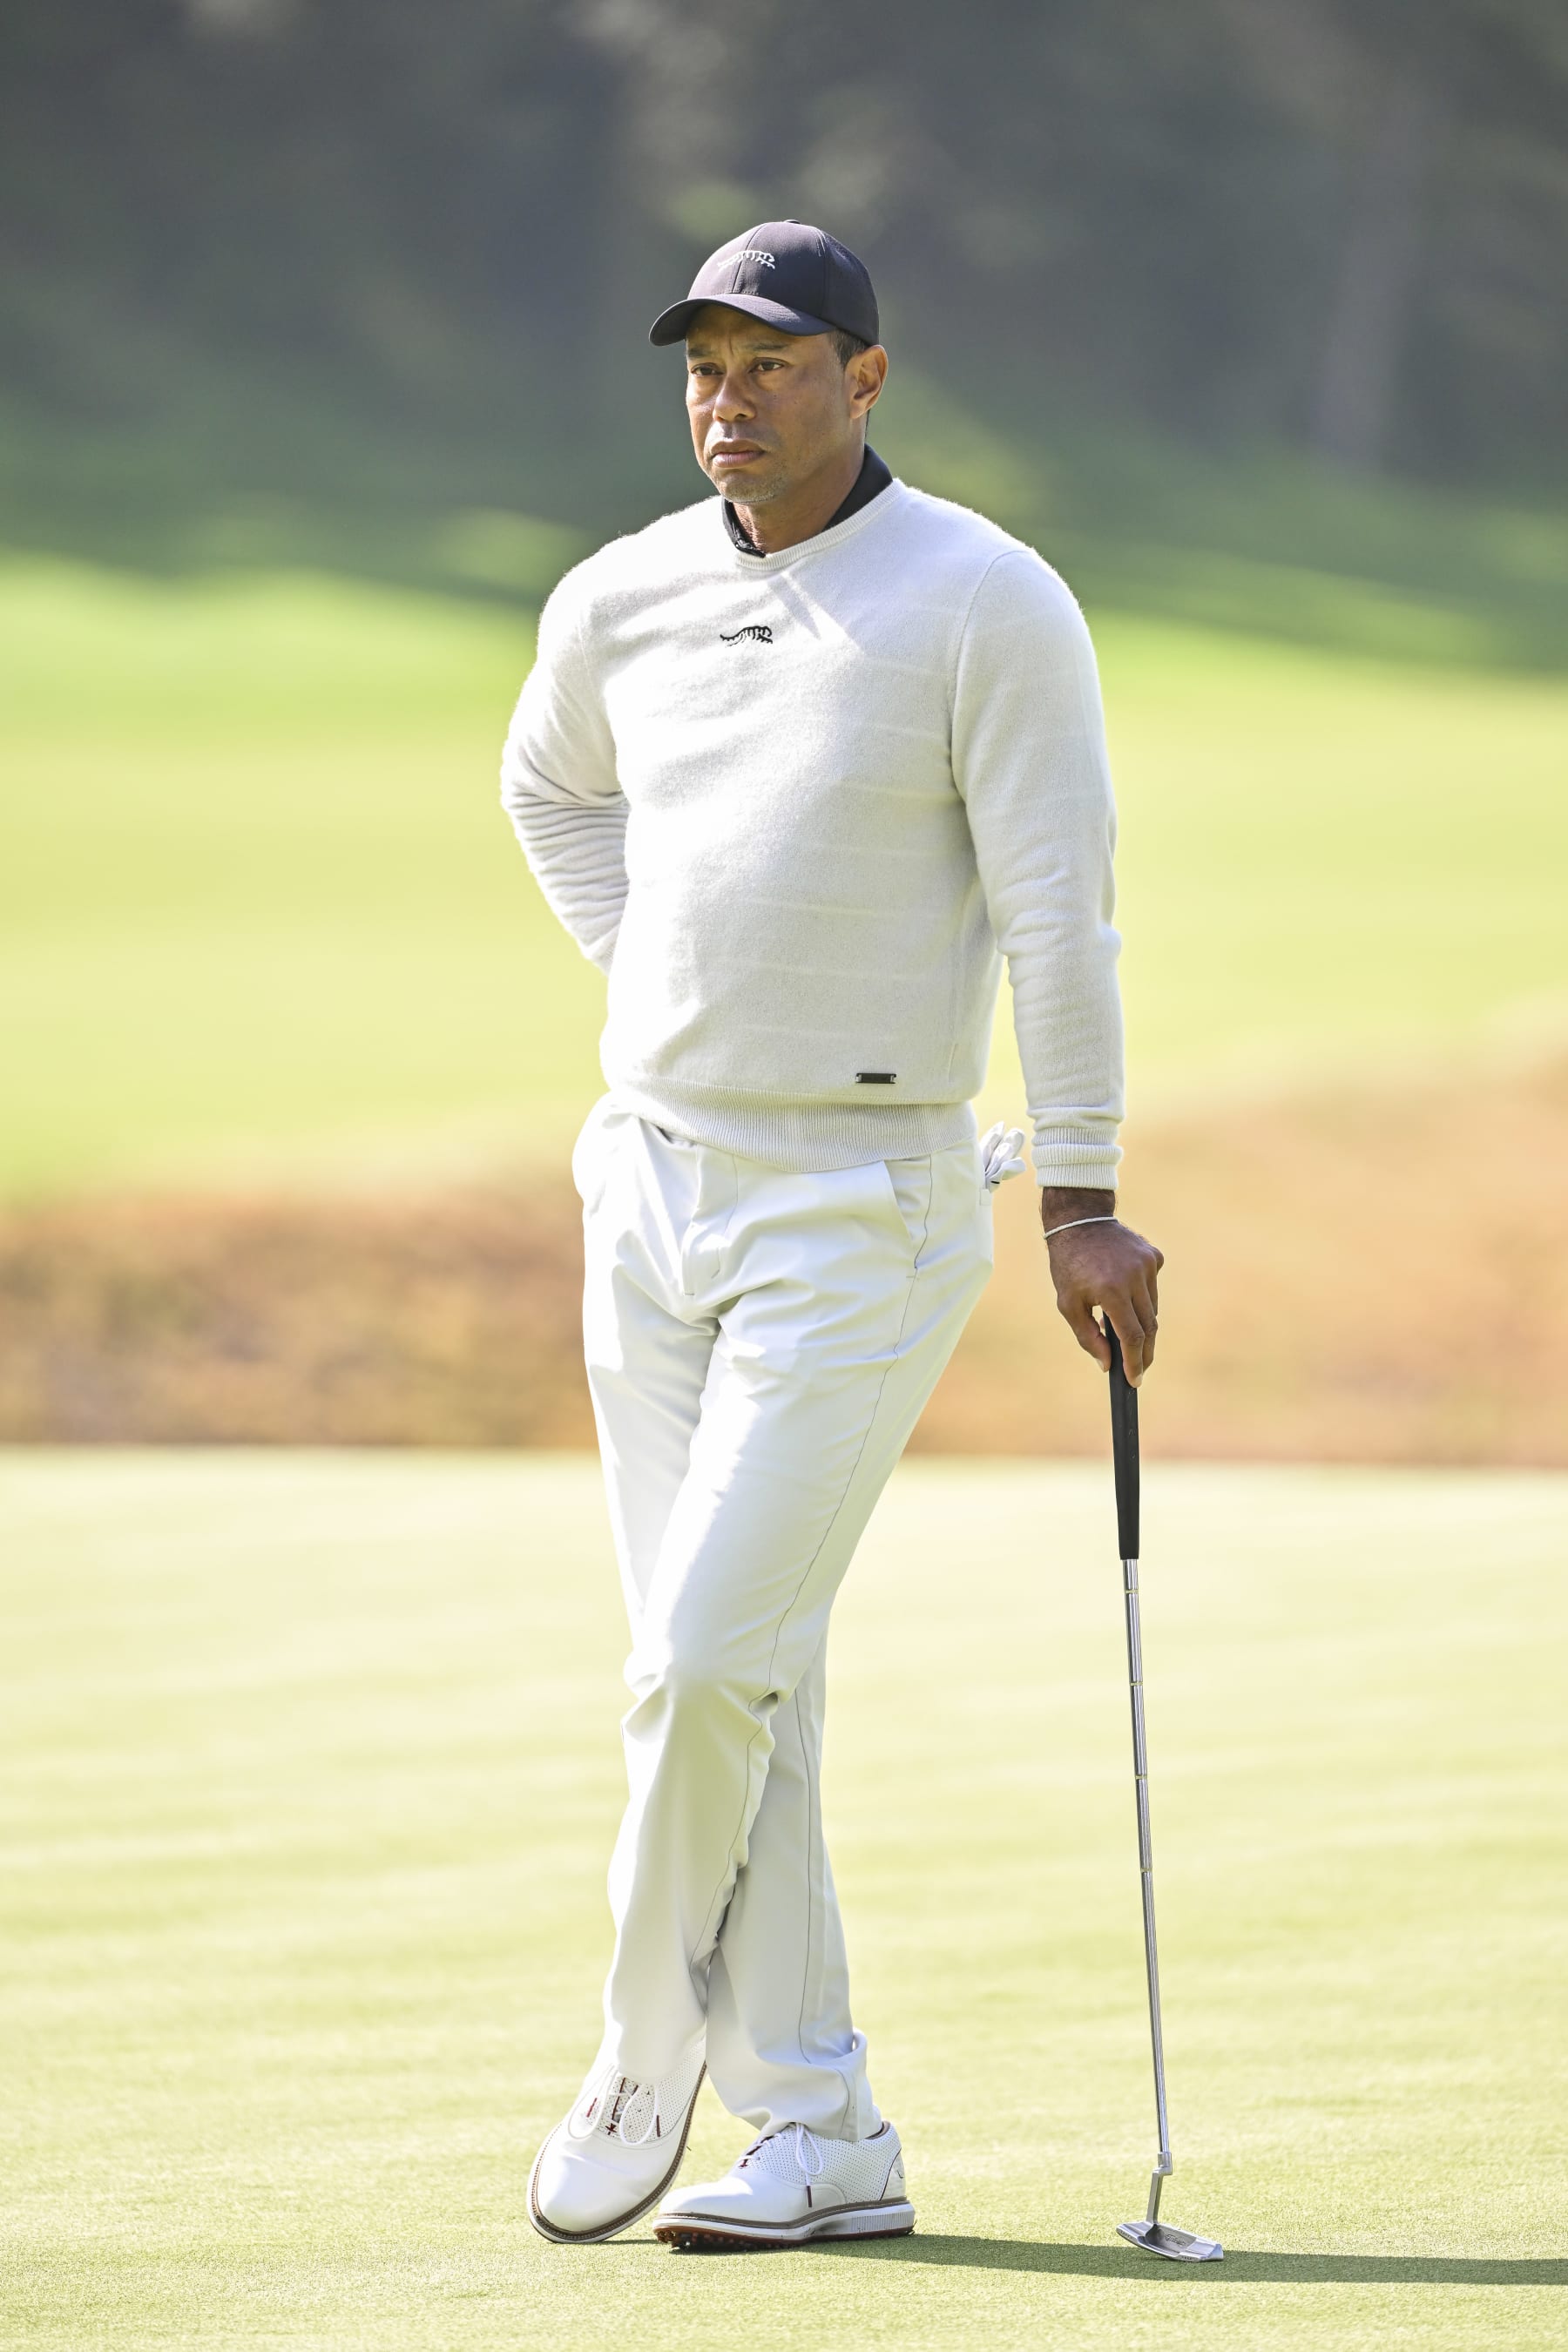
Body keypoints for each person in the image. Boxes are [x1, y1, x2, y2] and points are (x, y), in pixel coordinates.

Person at [501, 221, 1162, 2252]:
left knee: (705, 1662)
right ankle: (825, 2138)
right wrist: (680, 1001)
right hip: (655, 1183)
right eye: (704, 362)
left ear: (864, 381)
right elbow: (551, 797)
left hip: (862, 1208)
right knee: (735, 1679)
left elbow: (1060, 906)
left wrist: (1083, 1190)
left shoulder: (982, 598)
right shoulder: (619, 595)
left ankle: (637, 2054)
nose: (730, 396)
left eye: (774, 362)